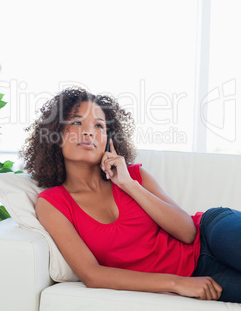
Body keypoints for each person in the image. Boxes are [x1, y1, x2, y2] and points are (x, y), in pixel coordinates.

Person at [21, 87, 241, 303]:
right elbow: (92, 274)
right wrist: (177, 283)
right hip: (198, 276)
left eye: (99, 125)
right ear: (56, 136)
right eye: (77, 122)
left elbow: (188, 233)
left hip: (212, 231)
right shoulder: (53, 204)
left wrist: (128, 184)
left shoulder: (134, 176)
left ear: (108, 139)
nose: (88, 132)